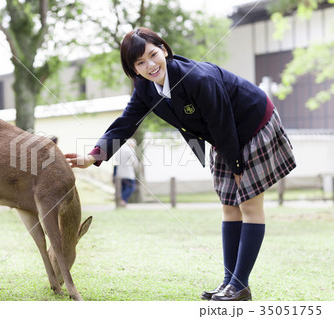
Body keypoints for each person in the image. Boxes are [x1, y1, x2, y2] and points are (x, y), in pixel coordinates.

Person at [65, 27, 296, 301]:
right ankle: (229, 283)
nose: (150, 65)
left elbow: (222, 124)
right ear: (133, 69)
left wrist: (236, 167)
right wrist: (93, 156)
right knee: (229, 205)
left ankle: (240, 284)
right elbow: (126, 123)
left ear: (164, 49)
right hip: (225, 136)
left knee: (248, 203)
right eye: (140, 62)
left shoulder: (197, 78)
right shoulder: (145, 88)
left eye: (153, 55)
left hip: (253, 123)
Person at [113, 138, 138, 207]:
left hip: (119, 173)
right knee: (131, 187)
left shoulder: (119, 150)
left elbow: (116, 159)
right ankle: (123, 200)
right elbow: (134, 162)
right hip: (129, 173)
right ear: (132, 145)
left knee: (123, 188)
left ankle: (122, 202)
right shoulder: (131, 150)